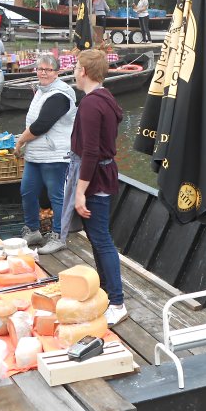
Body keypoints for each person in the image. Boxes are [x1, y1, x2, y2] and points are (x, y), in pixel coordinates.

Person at [62, 49, 126, 326]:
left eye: (76, 67)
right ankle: (106, 294)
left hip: (95, 179)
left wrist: (79, 192)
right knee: (98, 237)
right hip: (104, 173)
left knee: (101, 239)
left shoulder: (89, 104)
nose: (74, 71)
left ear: (84, 72)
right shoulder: (106, 97)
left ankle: (117, 301)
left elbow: (89, 152)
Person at [15, 54, 77, 255]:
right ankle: (33, 230)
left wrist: (21, 140)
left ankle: (59, 235)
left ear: (57, 72)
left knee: (56, 196)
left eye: (48, 70)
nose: (43, 72)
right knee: (27, 191)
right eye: (40, 69)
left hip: (54, 154)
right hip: (36, 154)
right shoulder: (41, 91)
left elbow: (41, 125)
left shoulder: (60, 94)